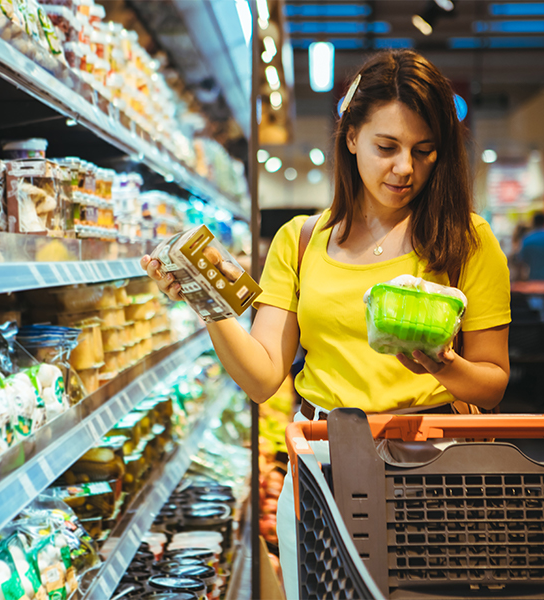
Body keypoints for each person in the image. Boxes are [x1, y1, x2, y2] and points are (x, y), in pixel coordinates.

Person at [141, 50, 511, 598]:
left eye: (424, 151)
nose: (405, 168)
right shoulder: (301, 240)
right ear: (351, 136)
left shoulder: (468, 240)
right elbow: (264, 376)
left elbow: (494, 382)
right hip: (324, 466)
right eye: (387, 147)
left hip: (435, 469)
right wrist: (209, 305)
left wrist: (445, 364)